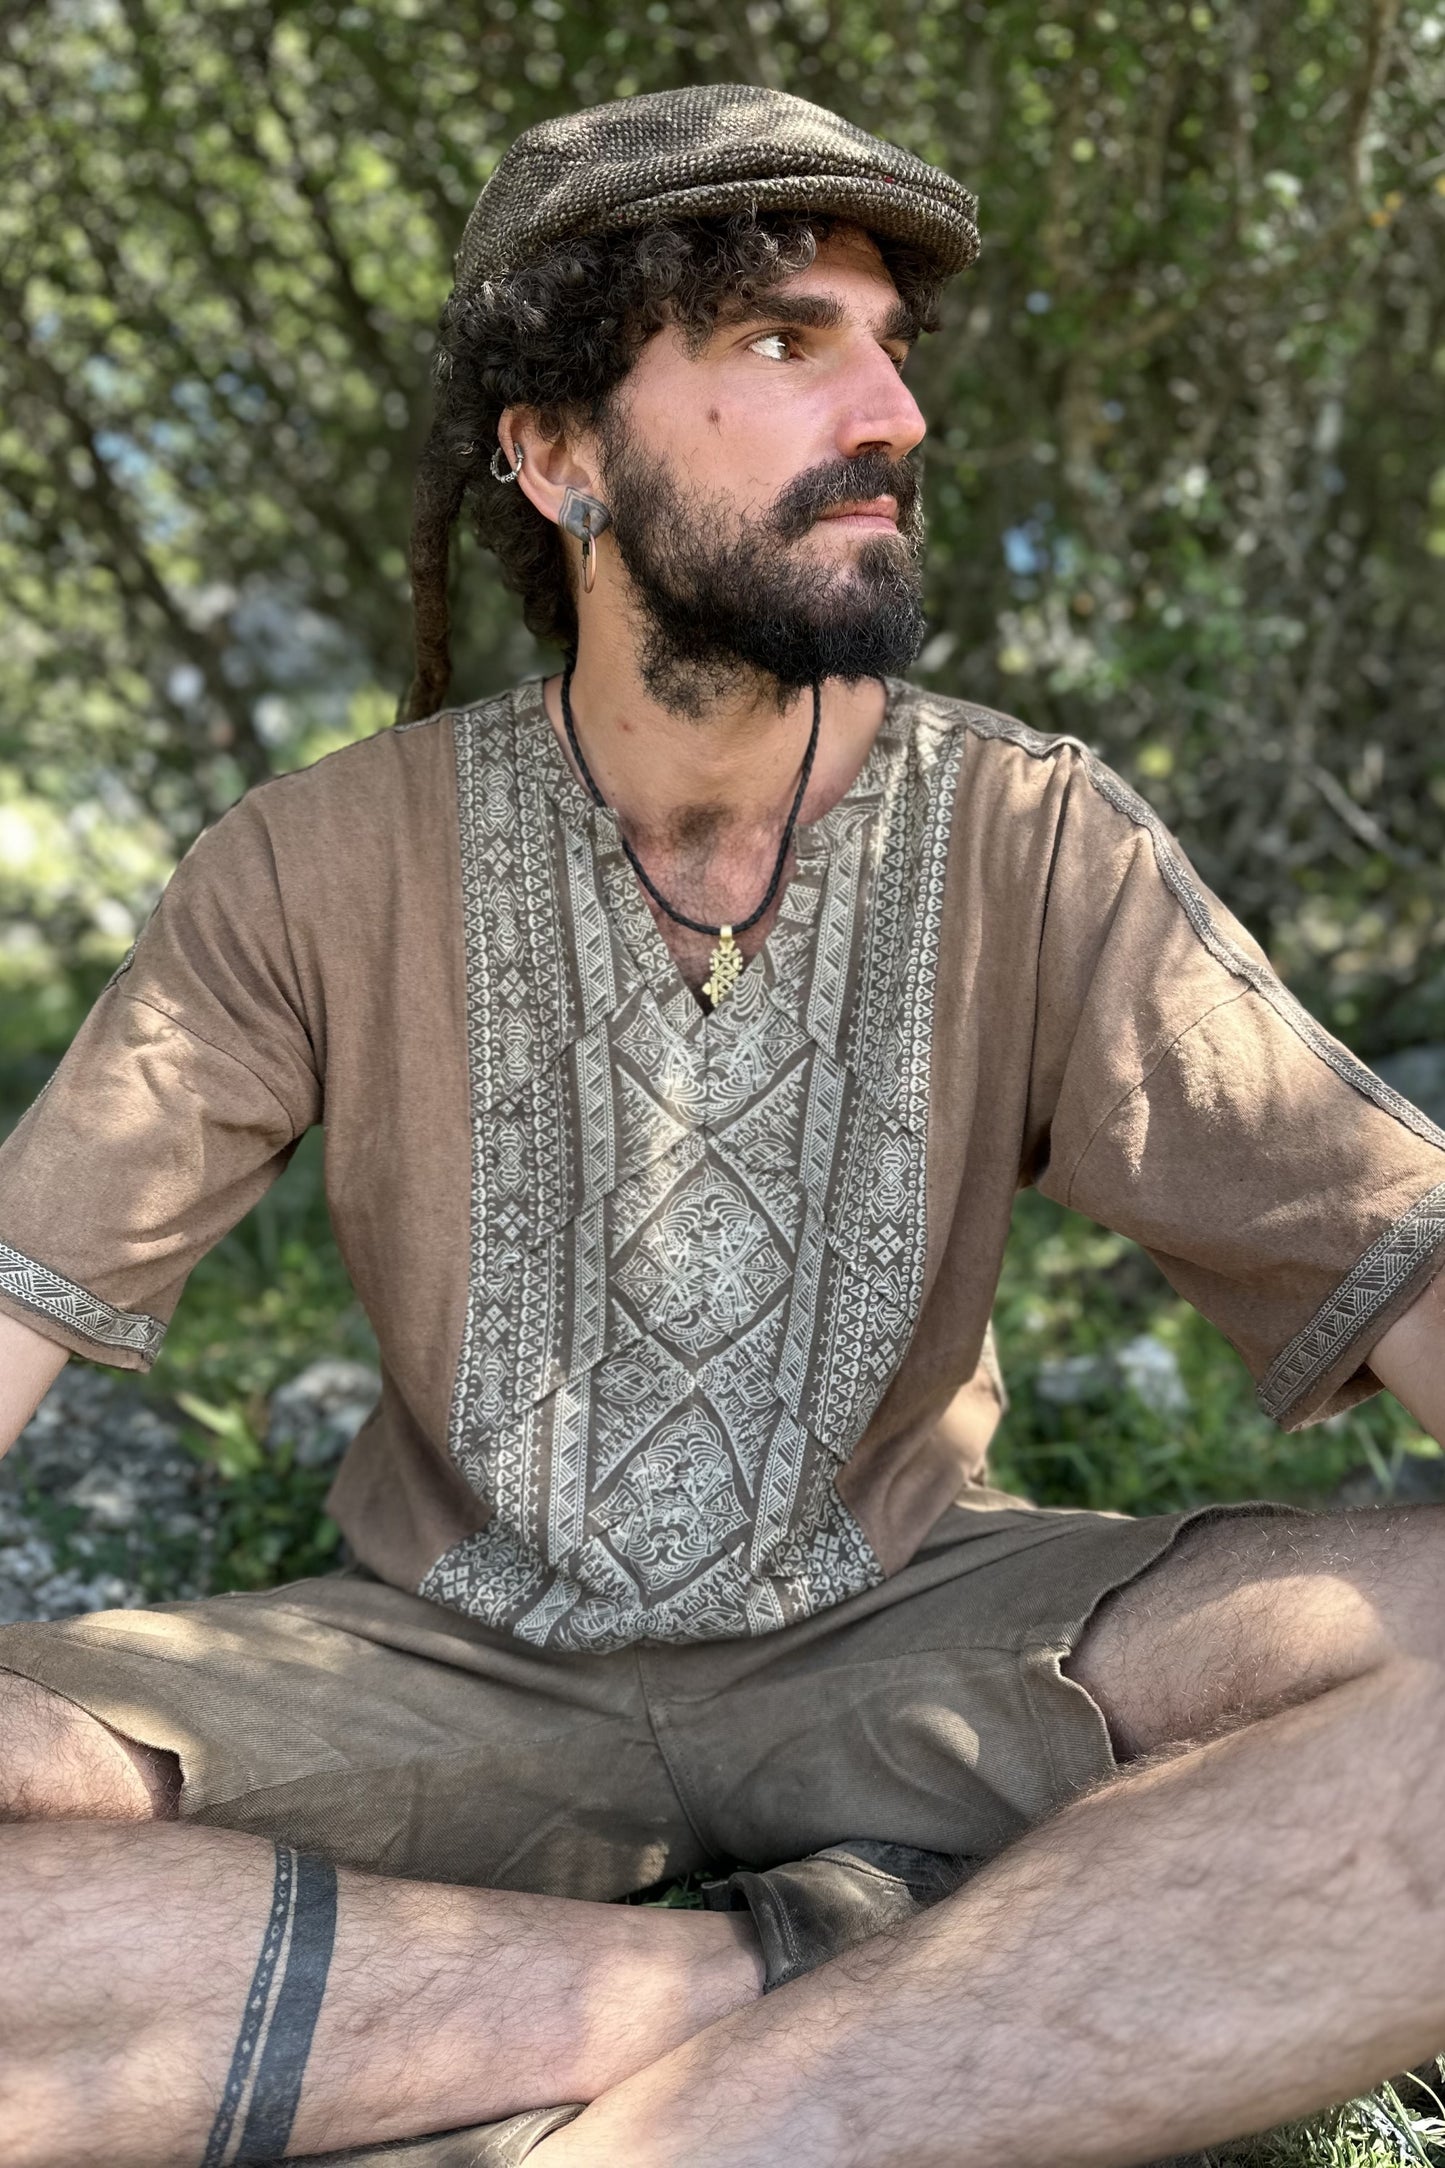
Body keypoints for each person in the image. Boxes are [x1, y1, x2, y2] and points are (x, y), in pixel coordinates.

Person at [1, 81, 1443, 2168]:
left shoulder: (1027, 836)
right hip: (437, 1672)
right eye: (782, 340)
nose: (892, 413)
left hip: (924, 1635)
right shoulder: (310, 866)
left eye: (890, 347)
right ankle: (779, 1976)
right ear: (557, 455)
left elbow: (1398, 1254)